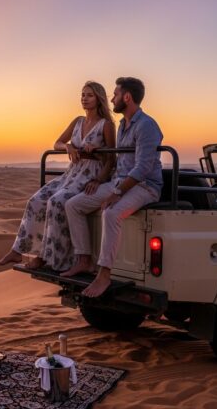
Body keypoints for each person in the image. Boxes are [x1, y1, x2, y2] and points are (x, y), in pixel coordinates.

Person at [61, 77, 163, 297]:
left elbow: (142, 169)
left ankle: (104, 275)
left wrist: (117, 192)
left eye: (115, 95)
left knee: (111, 212)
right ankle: (84, 259)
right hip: (120, 181)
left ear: (127, 97)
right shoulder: (123, 125)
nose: (112, 99)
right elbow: (116, 158)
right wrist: (101, 162)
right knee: (73, 205)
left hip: (145, 186)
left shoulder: (147, 125)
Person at [0, 81, 116, 271]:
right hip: (72, 173)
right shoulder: (78, 121)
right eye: (82, 95)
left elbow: (111, 159)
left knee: (56, 202)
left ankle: (47, 258)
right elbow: (57, 143)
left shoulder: (106, 125)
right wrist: (67, 146)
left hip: (90, 174)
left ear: (99, 99)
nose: (84, 99)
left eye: (89, 95)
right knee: (36, 201)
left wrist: (98, 177)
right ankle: (19, 250)